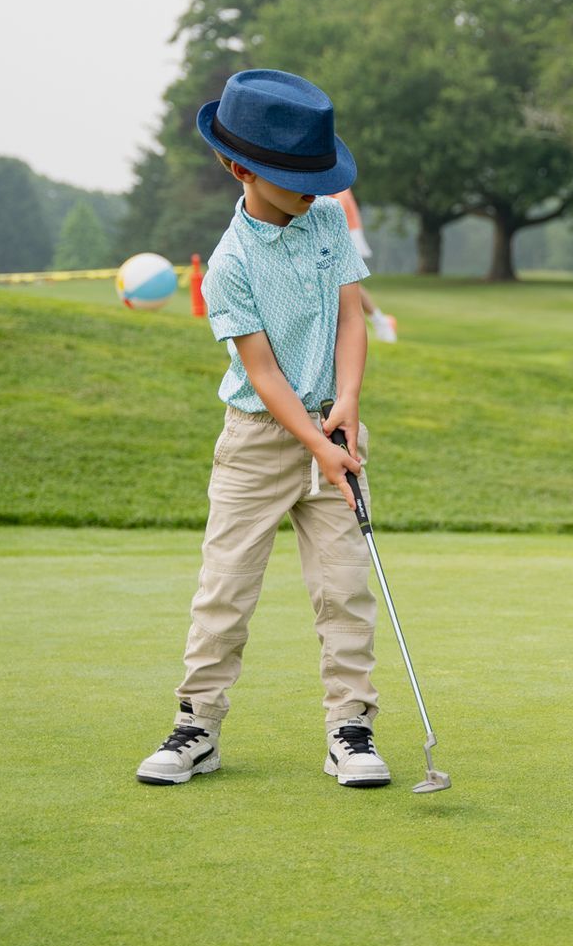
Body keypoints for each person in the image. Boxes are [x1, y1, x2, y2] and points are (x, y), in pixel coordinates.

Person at [136, 69, 390, 789]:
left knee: (344, 588)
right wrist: (314, 441)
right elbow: (266, 373)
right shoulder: (229, 265)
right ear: (241, 167)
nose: (312, 187)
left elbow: (350, 316)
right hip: (257, 440)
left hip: (334, 432)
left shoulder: (329, 222)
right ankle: (197, 727)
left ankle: (352, 729)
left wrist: (348, 404)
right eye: (294, 174)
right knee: (226, 587)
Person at [333, 189, 398, 342]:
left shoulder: (334, 172)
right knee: (341, 282)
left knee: (345, 281)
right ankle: (380, 321)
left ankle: (380, 322)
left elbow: (340, 199)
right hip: (335, 229)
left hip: (344, 229)